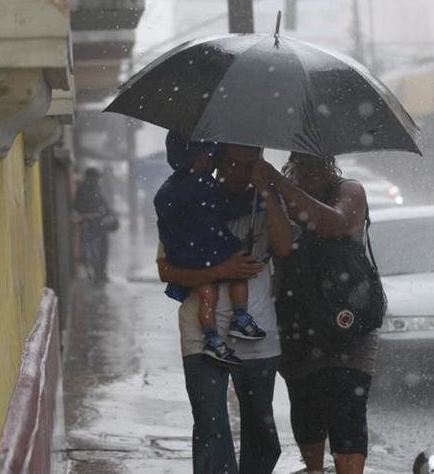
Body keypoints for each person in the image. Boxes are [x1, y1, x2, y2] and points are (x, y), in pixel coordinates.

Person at [157, 143, 293, 474]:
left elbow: (285, 246)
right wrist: (219, 271)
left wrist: (266, 190)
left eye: (247, 164)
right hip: (201, 330)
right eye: (230, 162)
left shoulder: (266, 202)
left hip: (255, 328)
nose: (237, 171)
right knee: (209, 422)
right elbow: (166, 270)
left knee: (261, 424)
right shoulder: (190, 199)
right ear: (218, 160)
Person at [254, 152, 378, 474]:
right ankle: (314, 469)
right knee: (306, 406)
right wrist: (270, 190)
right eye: (302, 163)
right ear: (292, 161)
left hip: (348, 321)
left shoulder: (349, 191)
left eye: (318, 163)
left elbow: (333, 223)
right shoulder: (278, 196)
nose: (310, 170)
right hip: (296, 321)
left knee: (347, 409)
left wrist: (279, 183)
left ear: (330, 162)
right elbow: (274, 245)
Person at [154, 133, 266, 367]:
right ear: (199, 157)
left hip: (185, 253)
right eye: (210, 154)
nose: (212, 159)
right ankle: (240, 317)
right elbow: (226, 207)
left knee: (207, 294)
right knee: (241, 266)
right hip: (211, 247)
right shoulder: (205, 184)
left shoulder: (167, 189)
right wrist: (257, 199)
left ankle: (212, 338)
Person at [74, 167, 115, 282]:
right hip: (91, 227)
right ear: (90, 178)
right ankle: (98, 276)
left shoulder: (96, 189)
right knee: (94, 252)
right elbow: (79, 208)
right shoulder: (84, 190)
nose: (97, 180)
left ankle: (101, 274)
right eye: (95, 178)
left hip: (100, 225)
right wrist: (92, 216)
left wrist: (109, 215)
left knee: (102, 251)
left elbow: (104, 206)